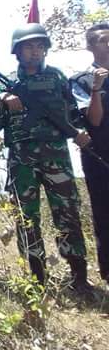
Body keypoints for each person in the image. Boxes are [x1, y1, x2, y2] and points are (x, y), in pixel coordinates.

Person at [0, 23, 92, 292]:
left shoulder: (58, 78)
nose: (35, 52)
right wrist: (3, 101)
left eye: (39, 46)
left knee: (67, 212)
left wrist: (79, 132)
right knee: (26, 217)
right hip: (22, 161)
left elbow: (72, 114)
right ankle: (37, 277)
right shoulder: (5, 83)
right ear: (17, 51)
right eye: (28, 47)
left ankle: (79, 275)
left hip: (57, 156)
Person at [70, 23, 109, 286]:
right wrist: (97, 87)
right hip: (100, 158)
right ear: (90, 46)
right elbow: (93, 121)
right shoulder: (80, 80)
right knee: (105, 218)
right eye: (104, 40)